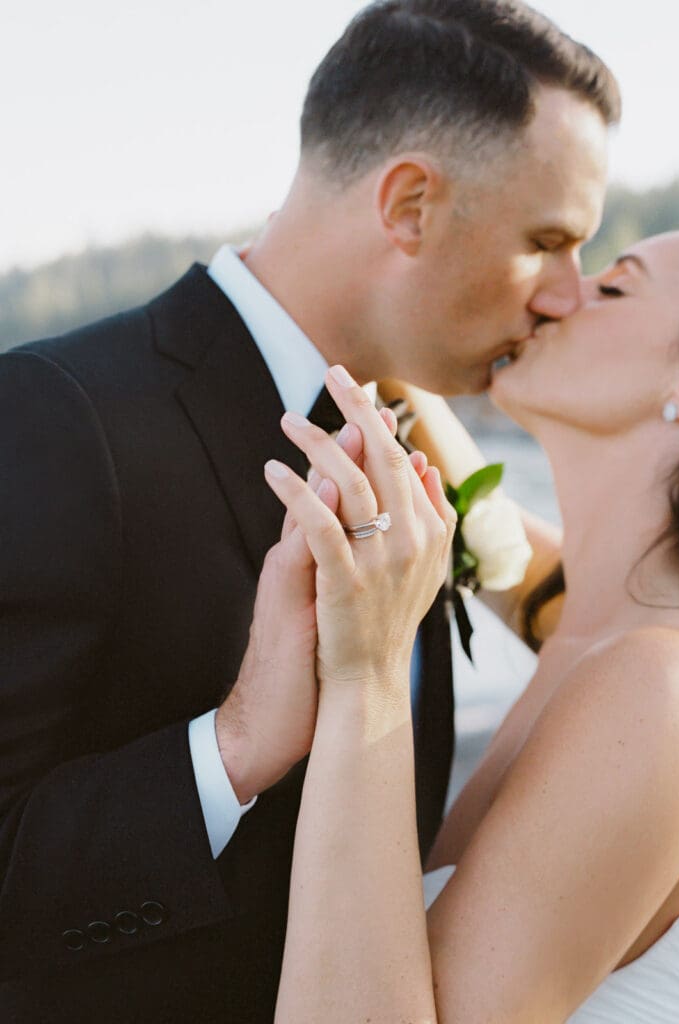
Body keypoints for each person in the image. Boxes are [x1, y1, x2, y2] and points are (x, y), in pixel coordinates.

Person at [0, 2, 620, 1021]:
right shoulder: (60, 417)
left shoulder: (413, 441)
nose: (568, 294)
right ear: (412, 205)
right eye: (548, 241)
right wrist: (230, 748)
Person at [260, 230, 679, 1022]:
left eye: (615, 286)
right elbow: (476, 517)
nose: (560, 294)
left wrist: (369, 669)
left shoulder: (672, 686)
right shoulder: (587, 617)